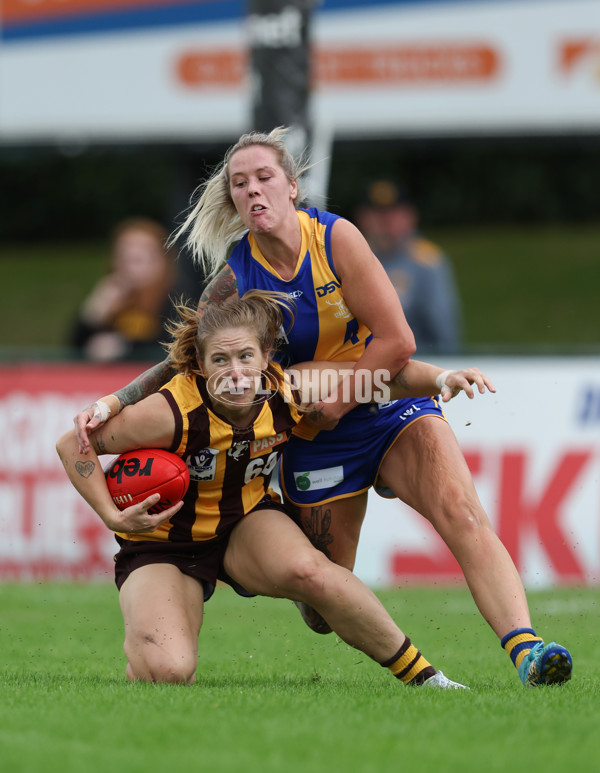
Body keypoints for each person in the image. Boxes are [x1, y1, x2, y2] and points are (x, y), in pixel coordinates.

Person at [72, 128, 572, 688]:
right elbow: (183, 358)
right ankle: (315, 598)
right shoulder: (235, 278)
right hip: (310, 432)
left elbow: (398, 343)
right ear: (233, 200)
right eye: (240, 184)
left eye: (264, 178)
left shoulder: (337, 239)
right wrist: (118, 398)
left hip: (381, 404)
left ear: (292, 186)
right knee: (325, 599)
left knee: (461, 513)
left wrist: (398, 387)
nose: (254, 191)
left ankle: (527, 651)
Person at [57, 289, 478, 687]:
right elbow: (71, 444)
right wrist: (111, 515)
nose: (236, 373)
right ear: (200, 367)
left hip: (245, 523)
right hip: (163, 543)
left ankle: (429, 679)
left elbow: (384, 379)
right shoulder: (169, 411)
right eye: (221, 360)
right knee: (168, 672)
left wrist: (444, 378)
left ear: (266, 358)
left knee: (313, 573)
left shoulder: (288, 388)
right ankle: (151, 649)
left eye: (245, 356)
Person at [354, 179, 462, 355]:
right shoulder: (350, 258)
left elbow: (442, 330)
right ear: (362, 218)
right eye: (376, 214)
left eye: (392, 214)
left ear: (410, 217)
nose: (384, 222)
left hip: (415, 364)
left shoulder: (427, 262)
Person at [70, 218, 177, 362]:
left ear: (162, 260)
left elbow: (174, 345)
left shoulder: (176, 297)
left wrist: (125, 347)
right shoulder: (114, 296)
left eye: (139, 259)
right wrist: (92, 313)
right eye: (124, 258)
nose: (130, 268)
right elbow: (73, 350)